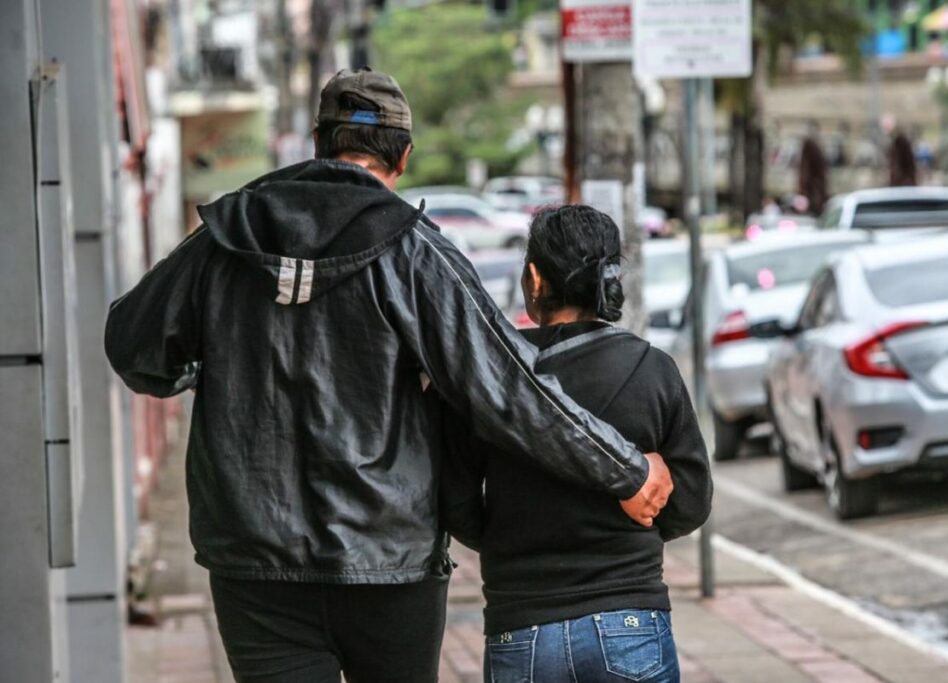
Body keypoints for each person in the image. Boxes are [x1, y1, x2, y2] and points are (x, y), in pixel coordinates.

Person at [104, 68, 673, 683]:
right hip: (390, 563)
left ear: (318, 144)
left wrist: (211, 366)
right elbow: (510, 387)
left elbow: (133, 348)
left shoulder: (224, 239)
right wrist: (626, 469)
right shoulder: (415, 254)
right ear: (403, 157)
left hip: (252, 561)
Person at [442, 205, 713, 683]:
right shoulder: (652, 369)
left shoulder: (496, 378)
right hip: (630, 620)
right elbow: (691, 502)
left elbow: (457, 504)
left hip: (520, 626)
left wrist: (514, 537)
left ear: (534, 279)